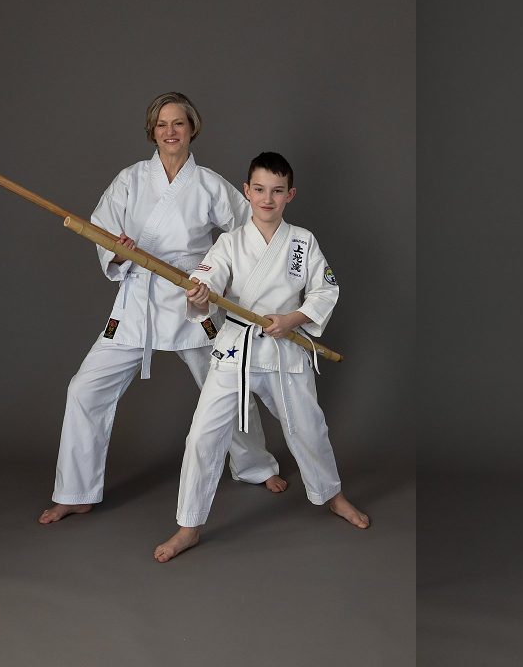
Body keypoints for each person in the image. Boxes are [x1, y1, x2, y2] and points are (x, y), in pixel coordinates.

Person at [39, 93, 282, 524]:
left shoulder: (208, 184)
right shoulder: (130, 180)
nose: (171, 132)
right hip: (138, 300)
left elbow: (250, 230)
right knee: (84, 390)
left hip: (194, 299)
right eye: (162, 124)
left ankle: (255, 466)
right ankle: (76, 491)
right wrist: (119, 252)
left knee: (226, 386)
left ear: (193, 128)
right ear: (152, 131)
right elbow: (101, 230)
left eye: (179, 124)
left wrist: (215, 271)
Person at [154, 151, 368, 563]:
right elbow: (208, 278)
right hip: (237, 347)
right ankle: (189, 525)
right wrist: (199, 291)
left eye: (277, 191)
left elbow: (326, 291)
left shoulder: (303, 242)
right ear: (247, 190)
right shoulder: (229, 242)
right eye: (259, 190)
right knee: (202, 436)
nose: (267, 199)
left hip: (285, 349)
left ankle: (333, 496)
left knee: (309, 429)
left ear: (290, 194)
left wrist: (291, 319)